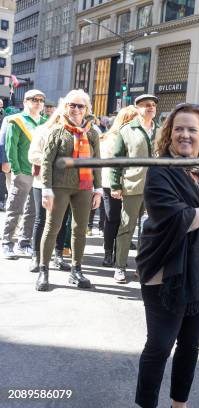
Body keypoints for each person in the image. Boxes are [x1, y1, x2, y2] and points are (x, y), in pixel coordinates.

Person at [134, 103, 199, 408]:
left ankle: (180, 404)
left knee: (190, 345)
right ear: (169, 133)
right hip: (166, 267)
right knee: (160, 345)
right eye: (179, 128)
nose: (185, 135)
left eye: (192, 129)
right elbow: (180, 219)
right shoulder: (161, 169)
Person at [36, 89, 103, 291]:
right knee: (52, 227)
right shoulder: (57, 131)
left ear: (86, 109)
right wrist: (46, 189)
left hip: (84, 187)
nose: (75, 109)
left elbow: (96, 161)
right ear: (65, 107)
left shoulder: (92, 132)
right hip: (59, 186)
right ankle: (43, 270)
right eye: (71, 105)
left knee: (80, 229)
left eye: (80, 106)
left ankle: (76, 270)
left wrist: (98, 189)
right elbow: (47, 162)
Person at [111, 95, 158, 283]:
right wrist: (115, 184)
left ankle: (143, 267)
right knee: (127, 228)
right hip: (132, 185)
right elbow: (117, 160)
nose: (151, 108)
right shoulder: (127, 130)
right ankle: (120, 267)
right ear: (138, 108)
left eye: (153, 105)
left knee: (149, 230)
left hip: (156, 188)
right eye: (147, 105)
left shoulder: (161, 131)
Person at [28, 103, 73, 273]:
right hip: (42, 182)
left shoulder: (73, 133)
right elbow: (32, 155)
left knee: (62, 220)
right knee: (41, 219)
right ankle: (36, 256)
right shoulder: (42, 130)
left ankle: (58, 255)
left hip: (65, 183)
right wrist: (53, 161)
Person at [2, 90, 47, 259]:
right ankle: (7, 242)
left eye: (41, 100)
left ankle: (24, 241)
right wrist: (16, 170)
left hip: (39, 173)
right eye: (34, 100)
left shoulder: (45, 122)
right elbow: (10, 147)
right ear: (26, 102)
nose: (38, 103)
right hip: (23, 171)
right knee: (15, 208)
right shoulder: (16, 120)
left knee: (32, 211)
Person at [100, 105, 140, 267]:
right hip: (112, 184)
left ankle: (120, 254)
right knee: (112, 219)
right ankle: (108, 253)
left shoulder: (137, 136)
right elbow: (111, 164)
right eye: (134, 118)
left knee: (127, 221)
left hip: (132, 185)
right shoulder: (111, 138)